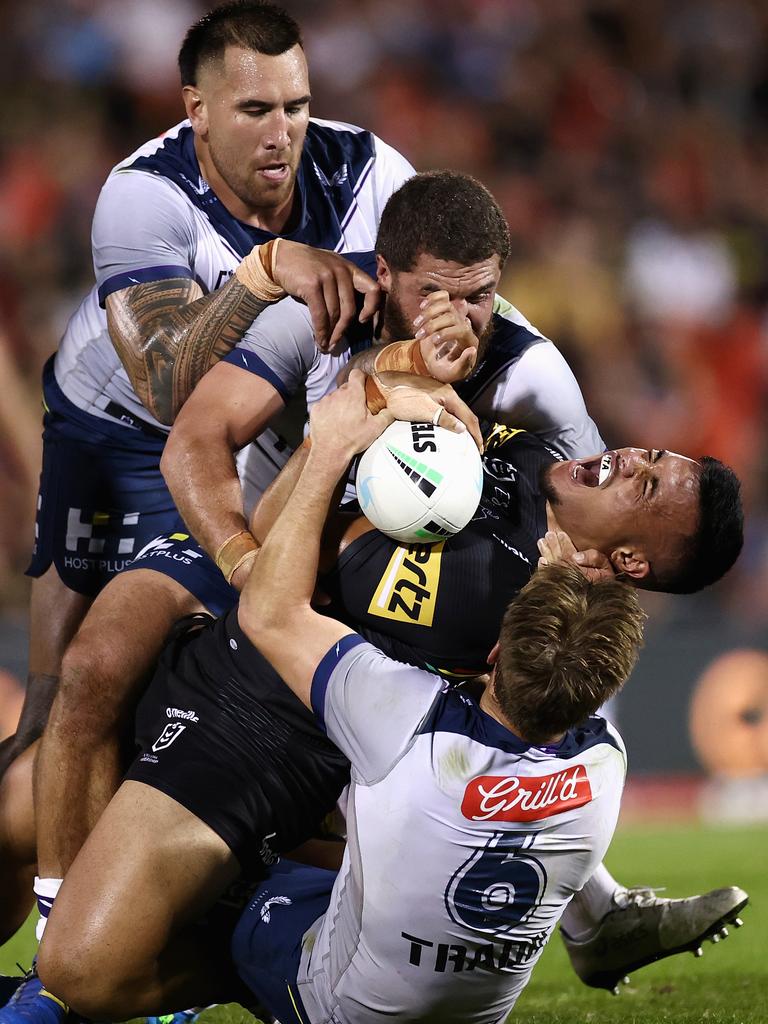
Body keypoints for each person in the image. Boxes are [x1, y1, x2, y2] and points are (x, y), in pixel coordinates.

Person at [29, 375, 745, 1021]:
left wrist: (338, 434)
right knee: (76, 696)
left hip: (270, 715)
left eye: (646, 486)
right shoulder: (533, 448)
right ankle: (597, 916)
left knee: (82, 964)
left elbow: (281, 595)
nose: (627, 458)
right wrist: (401, 368)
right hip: (242, 590)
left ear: (627, 563)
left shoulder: (513, 622)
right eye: (648, 453)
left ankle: (144, 959)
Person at [24, 170, 603, 954]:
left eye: (481, 295)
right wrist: (243, 565)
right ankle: (61, 945)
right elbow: (194, 444)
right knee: (92, 669)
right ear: (386, 274)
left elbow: (592, 528)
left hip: (381, 593)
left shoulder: (531, 374)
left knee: (343, 786)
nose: (464, 317)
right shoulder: (325, 305)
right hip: (253, 532)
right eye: (438, 292)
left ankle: (577, 904)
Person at [6, 0, 416, 948]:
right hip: (112, 436)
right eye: (255, 111)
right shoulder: (142, 195)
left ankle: (117, 941)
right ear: (195, 108)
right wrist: (265, 270)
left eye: (297, 106)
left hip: (240, 446)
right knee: (57, 699)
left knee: (168, 686)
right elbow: (159, 383)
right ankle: (59, 946)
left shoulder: (368, 177)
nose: (284, 134)